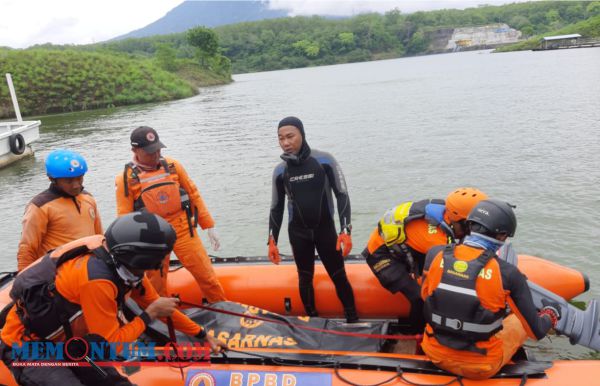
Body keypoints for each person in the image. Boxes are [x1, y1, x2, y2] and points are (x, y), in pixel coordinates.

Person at [0, 211, 227, 385]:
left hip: (71, 345)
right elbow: (112, 343)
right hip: (28, 348)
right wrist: (148, 316)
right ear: (140, 259)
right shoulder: (98, 281)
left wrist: (203, 335)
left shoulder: (122, 263)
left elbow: (158, 305)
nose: (159, 265)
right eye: (158, 259)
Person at [420, 199, 560, 380]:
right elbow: (537, 332)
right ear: (502, 236)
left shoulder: (435, 254)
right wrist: (550, 314)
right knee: (518, 321)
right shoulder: (508, 273)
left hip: (434, 354)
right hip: (481, 367)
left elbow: (426, 295)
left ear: (470, 224)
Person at [115, 126, 226, 302]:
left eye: (158, 149)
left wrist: (209, 225)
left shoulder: (174, 166)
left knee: (208, 277)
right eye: (150, 151)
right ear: (135, 150)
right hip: (152, 238)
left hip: (183, 230)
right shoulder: (125, 179)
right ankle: (162, 322)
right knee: (156, 287)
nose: (156, 154)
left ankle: (223, 309)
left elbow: (193, 194)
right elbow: (124, 216)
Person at [268, 116, 358, 322]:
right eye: (281, 138)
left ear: (302, 134)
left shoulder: (324, 160)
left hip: (325, 230)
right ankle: (314, 321)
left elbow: (342, 194)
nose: (285, 143)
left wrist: (346, 230)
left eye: (290, 136)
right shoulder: (280, 171)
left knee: (339, 276)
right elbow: (276, 207)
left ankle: (353, 319)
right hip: (298, 233)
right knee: (305, 279)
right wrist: (271, 239)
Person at [362, 187, 487, 332]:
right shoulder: (437, 241)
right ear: (461, 221)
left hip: (408, 245)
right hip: (381, 253)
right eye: (472, 225)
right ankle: (413, 333)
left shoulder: (447, 214)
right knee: (419, 297)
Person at [17, 149, 103, 272]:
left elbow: (99, 235)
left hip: (88, 269)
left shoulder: (88, 198)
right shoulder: (40, 206)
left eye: (80, 178)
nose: (76, 185)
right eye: (69, 181)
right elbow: (27, 248)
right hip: (58, 274)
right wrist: (23, 281)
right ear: (52, 179)